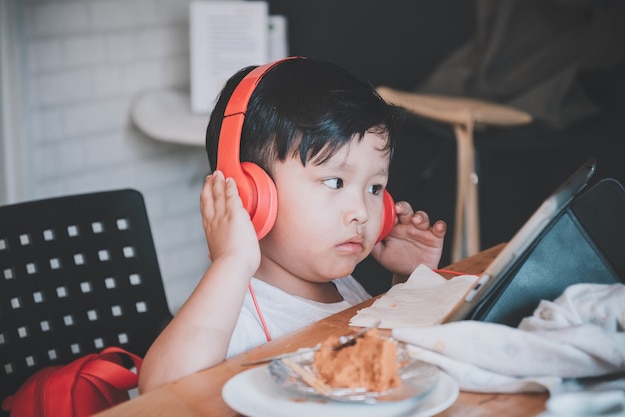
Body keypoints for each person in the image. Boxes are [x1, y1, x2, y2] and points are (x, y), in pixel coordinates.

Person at [139, 57, 447, 392]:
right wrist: (232, 262)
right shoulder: (232, 311)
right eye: (334, 182)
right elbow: (159, 393)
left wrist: (410, 283)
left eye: (374, 188)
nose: (361, 211)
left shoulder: (341, 287)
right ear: (251, 193)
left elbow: (389, 361)